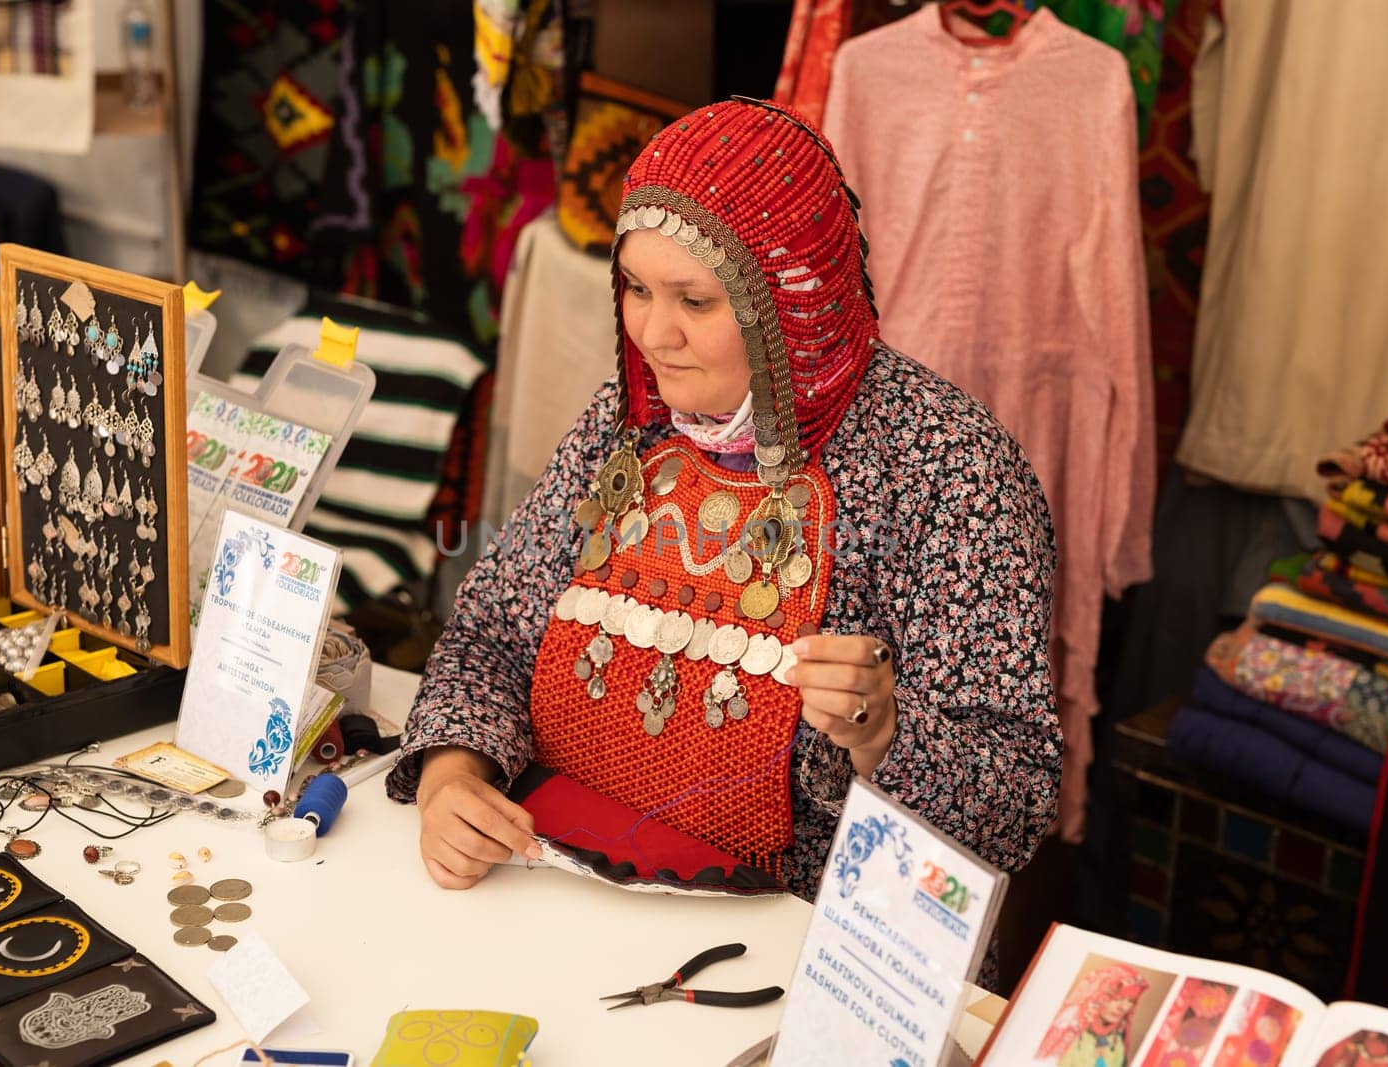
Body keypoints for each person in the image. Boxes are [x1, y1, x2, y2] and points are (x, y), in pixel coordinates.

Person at [387, 97, 1060, 978]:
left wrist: (883, 730)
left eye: (694, 300)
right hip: (560, 899)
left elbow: (1013, 797)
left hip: (794, 953)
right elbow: (489, 637)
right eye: (635, 287)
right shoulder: (627, 427)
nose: (651, 333)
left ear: (790, 298)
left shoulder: (948, 469)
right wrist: (450, 776)